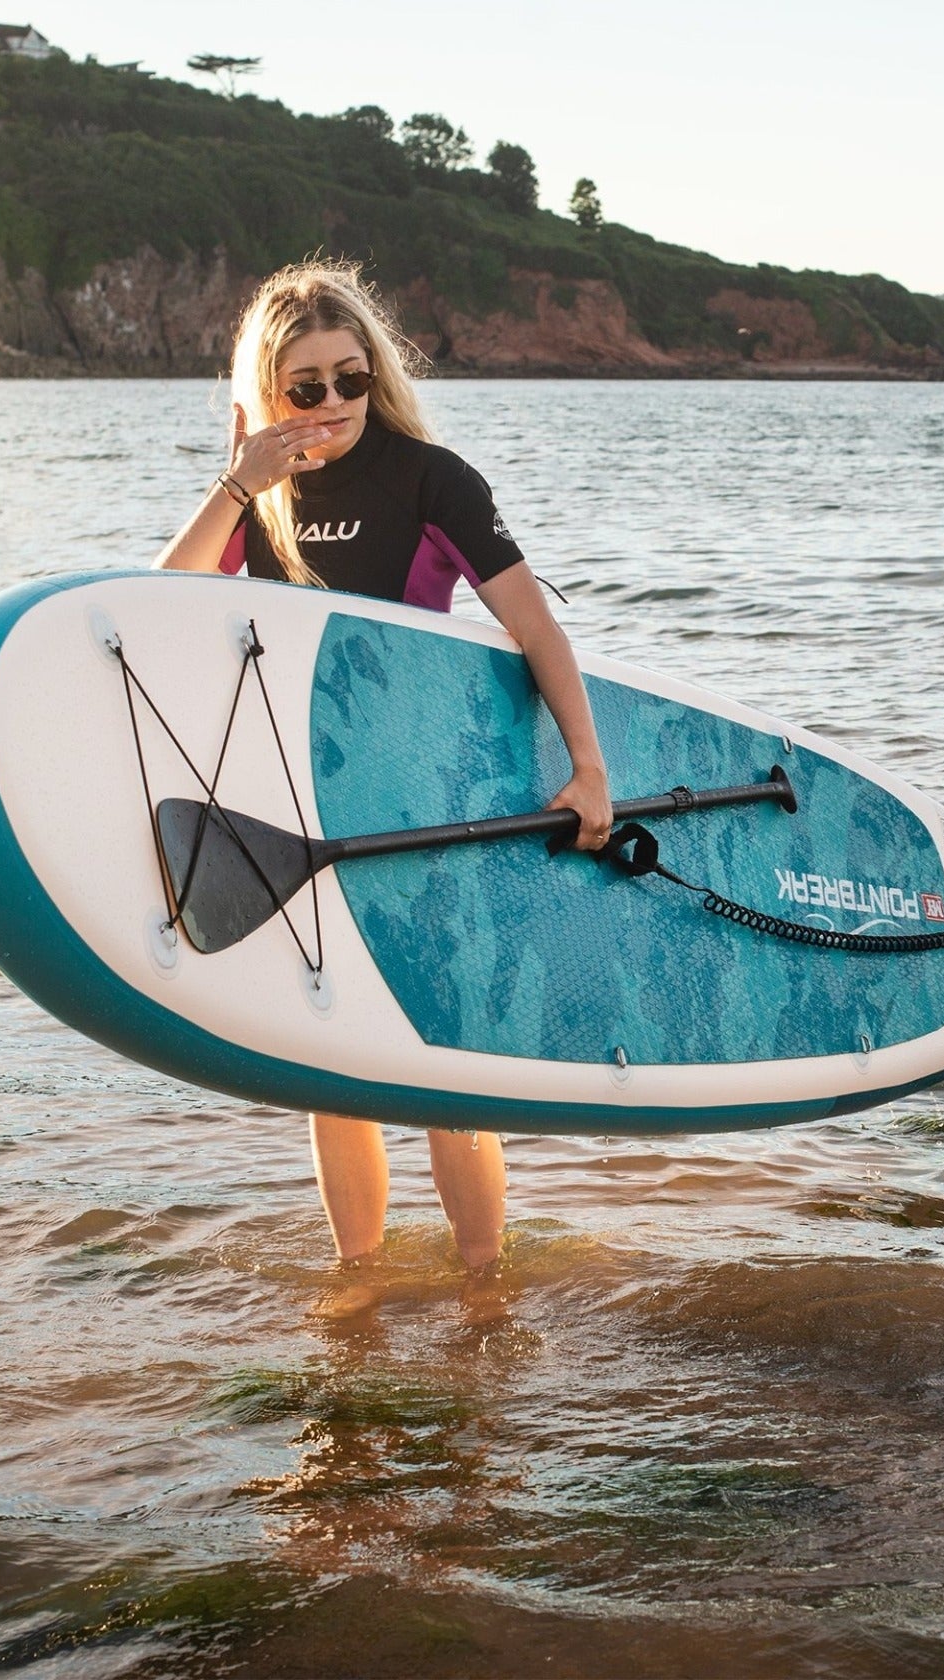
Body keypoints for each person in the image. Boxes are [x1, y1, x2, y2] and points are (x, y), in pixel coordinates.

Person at [156, 260, 613, 1277]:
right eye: (306, 387)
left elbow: (534, 626)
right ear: (270, 393)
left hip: (424, 794)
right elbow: (158, 609)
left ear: (376, 374)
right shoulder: (258, 500)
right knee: (333, 1064)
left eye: (351, 379)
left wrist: (588, 770)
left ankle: (484, 1286)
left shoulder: (429, 478)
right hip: (300, 800)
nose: (333, 405)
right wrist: (239, 484)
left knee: (437, 1058)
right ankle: (356, 1293)